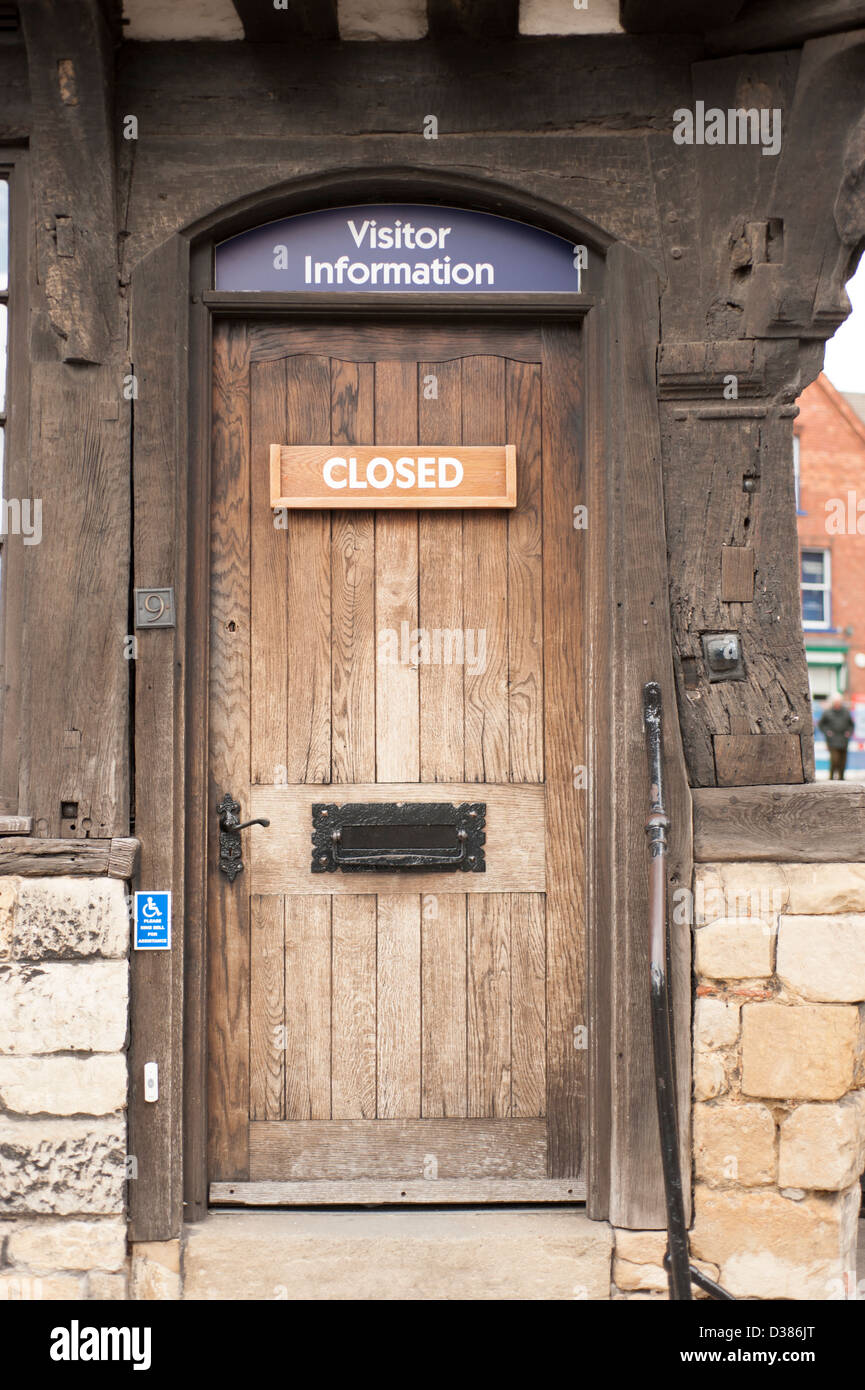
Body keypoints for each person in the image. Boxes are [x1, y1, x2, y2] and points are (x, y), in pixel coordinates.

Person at [818, 693, 855, 780]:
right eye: (836, 702)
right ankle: (831, 778)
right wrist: (827, 732)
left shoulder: (846, 712)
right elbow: (821, 725)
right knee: (835, 760)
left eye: (839, 701)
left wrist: (848, 732)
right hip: (832, 740)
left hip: (844, 740)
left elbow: (851, 725)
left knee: (843, 761)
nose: (838, 703)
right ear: (833, 702)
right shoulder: (827, 712)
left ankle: (841, 778)